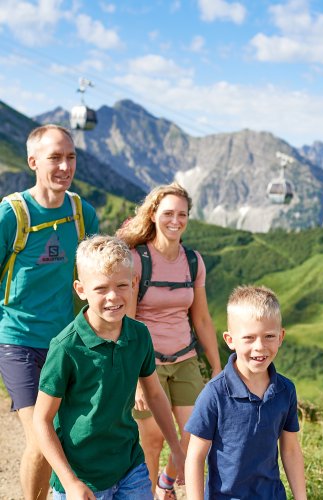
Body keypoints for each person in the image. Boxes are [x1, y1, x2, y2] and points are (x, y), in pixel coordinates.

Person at [32, 235, 185, 499]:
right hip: (81, 476)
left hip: (129, 466)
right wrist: (70, 482)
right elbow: (41, 420)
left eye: (122, 285)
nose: (113, 296)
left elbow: (155, 395)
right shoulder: (66, 347)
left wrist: (177, 448)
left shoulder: (139, 335)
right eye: (101, 288)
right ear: (81, 290)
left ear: (134, 283)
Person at [0, 124, 98, 500]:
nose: (64, 166)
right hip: (17, 339)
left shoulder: (82, 213)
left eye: (70, 157)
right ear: (33, 161)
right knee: (42, 438)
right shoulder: (12, 214)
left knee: (64, 435)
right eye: (54, 157)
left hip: (63, 341)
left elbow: (95, 274)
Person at [116, 182, 221, 499]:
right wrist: (134, 380)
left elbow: (201, 318)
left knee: (195, 436)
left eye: (182, 214)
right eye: (168, 214)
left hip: (185, 360)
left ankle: (167, 483)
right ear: (153, 215)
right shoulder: (136, 260)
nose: (175, 220)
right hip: (147, 366)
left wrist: (217, 366)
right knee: (152, 441)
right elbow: (128, 322)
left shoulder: (193, 261)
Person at [185, 285, 307, 500]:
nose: (259, 347)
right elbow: (195, 456)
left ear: (281, 337)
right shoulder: (214, 394)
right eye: (249, 338)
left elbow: (290, 450)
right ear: (230, 340)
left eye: (269, 336)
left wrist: (301, 497)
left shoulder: (285, 390)